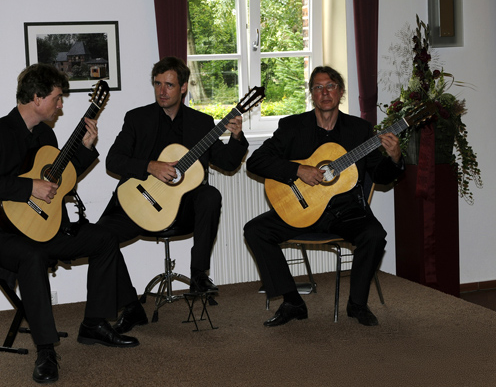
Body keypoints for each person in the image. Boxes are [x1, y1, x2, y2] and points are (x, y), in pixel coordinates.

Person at [0, 63, 140, 384]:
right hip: (0, 232)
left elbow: (60, 182)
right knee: (31, 257)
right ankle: (46, 349)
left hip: (44, 225)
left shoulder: (46, 134)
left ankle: (94, 324)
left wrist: (85, 149)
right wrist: (29, 187)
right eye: (57, 99)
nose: (61, 106)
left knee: (103, 237)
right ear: (36, 97)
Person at [96, 56, 249, 334]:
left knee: (210, 195)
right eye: (157, 84)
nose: (162, 91)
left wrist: (236, 139)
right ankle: (130, 307)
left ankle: (199, 275)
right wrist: (150, 166)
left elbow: (226, 163)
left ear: (183, 88)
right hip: (141, 202)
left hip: (183, 208)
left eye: (168, 84)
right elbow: (113, 161)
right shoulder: (137, 118)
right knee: (99, 237)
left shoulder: (202, 123)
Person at [244, 65, 403, 328]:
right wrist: (298, 170)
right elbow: (256, 162)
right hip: (302, 208)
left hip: (346, 212)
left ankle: (357, 304)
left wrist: (395, 157)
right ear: (312, 94)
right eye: (318, 87)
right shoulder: (293, 127)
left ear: (340, 92)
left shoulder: (360, 130)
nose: (325, 92)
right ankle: (293, 301)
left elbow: (381, 175)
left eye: (330, 86)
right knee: (255, 230)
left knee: (375, 235)